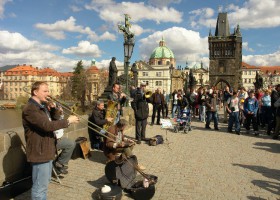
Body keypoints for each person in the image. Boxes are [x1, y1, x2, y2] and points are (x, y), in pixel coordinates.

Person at [22, 81, 79, 200]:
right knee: (39, 187)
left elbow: (53, 120)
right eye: (45, 91)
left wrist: (54, 110)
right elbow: (47, 125)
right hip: (39, 152)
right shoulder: (30, 109)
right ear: (35, 92)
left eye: (48, 91)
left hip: (47, 150)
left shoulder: (41, 107)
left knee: (44, 183)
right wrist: (68, 121)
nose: (48, 94)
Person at [46, 101, 76, 175]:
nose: (61, 109)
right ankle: (59, 163)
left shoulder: (58, 112)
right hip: (52, 140)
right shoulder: (50, 112)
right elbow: (55, 118)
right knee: (70, 144)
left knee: (72, 143)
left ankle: (59, 162)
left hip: (58, 138)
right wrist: (55, 109)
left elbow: (61, 122)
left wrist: (68, 120)